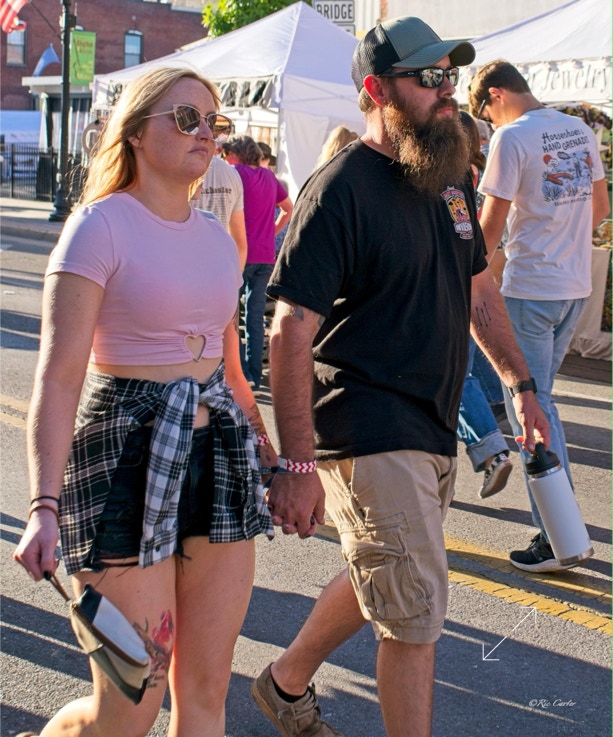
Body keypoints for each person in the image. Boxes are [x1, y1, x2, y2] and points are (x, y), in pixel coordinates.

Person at [252, 17, 549, 737]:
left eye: (450, 77)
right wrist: (296, 463)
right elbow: (289, 331)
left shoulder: (448, 183)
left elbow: (479, 292)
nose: (446, 91)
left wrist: (521, 386)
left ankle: (283, 683)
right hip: (366, 426)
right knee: (414, 615)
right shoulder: (339, 189)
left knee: (386, 575)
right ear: (377, 90)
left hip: (431, 424)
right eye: (428, 78)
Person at [12, 66, 277, 737]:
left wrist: (272, 455)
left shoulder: (216, 236)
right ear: (134, 132)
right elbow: (59, 378)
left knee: (206, 692)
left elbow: (229, 369)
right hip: (125, 461)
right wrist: (42, 507)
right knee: (130, 705)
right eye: (186, 118)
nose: (205, 133)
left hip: (217, 458)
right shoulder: (98, 226)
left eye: (213, 121)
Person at [469, 59, 610, 572]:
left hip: (531, 286)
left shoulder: (511, 138)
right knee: (540, 400)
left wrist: (467, 273)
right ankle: (560, 529)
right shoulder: (578, 129)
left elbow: (490, 225)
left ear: (496, 94)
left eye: (485, 113)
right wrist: (559, 236)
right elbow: (600, 208)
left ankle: (557, 535)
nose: (489, 123)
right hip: (574, 286)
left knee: (528, 404)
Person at [456, 111, 512, 498]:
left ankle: (491, 448)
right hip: (485, 275)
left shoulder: (456, 181)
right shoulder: (484, 175)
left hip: (463, 276)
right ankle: (496, 407)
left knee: (455, 372)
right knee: (476, 357)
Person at [222, 134, 293, 391]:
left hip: (240, 255)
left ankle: (240, 372)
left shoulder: (235, 173)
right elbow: (288, 208)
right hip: (265, 255)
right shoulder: (269, 177)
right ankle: (253, 373)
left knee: (233, 317)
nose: (225, 158)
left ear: (236, 154)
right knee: (255, 316)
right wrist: (271, 233)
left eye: (228, 154)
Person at [194, 141, 248, 268]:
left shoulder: (178, 170)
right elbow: (239, 243)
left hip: (189, 266)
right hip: (221, 264)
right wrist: (236, 277)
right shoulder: (231, 173)